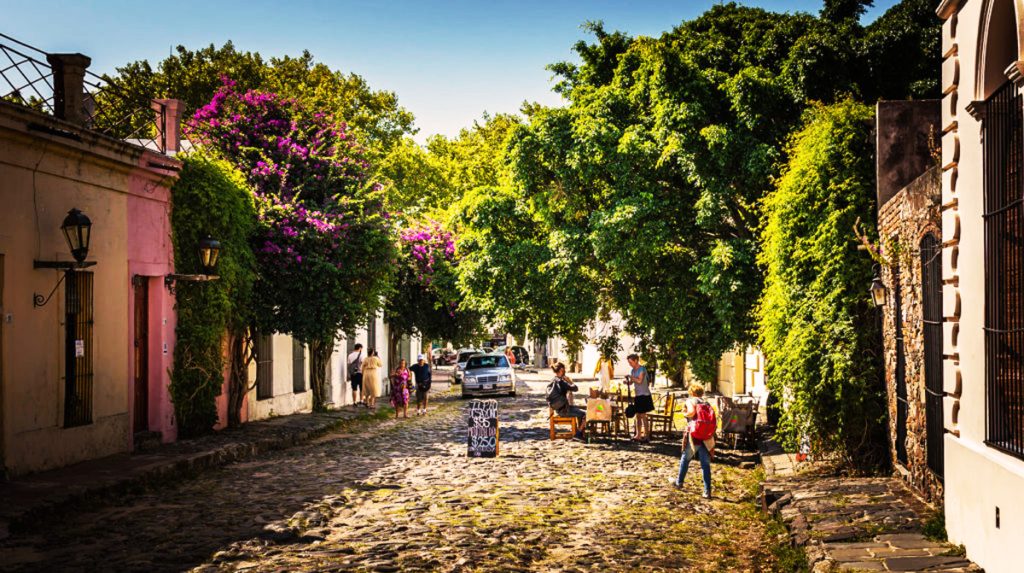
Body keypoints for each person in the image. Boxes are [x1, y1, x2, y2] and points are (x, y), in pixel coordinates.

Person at [672, 383, 715, 498]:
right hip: (706, 437)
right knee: (705, 464)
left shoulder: (690, 401)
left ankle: (679, 482)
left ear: (691, 392)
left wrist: (684, 413)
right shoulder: (706, 403)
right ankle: (707, 491)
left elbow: (691, 412)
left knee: (685, 459)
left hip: (694, 436)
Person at [547, 362, 585, 436]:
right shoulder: (561, 382)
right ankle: (579, 432)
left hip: (558, 410)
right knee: (586, 414)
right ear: (561, 370)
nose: (565, 372)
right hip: (565, 411)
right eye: (564, 370)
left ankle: (579, 431)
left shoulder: (552, 381)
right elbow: (575, 388)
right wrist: (569, 381)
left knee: (578, 411)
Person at [626, 353, 654, 442]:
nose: (630, 364)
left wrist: (631, 378)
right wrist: (628, 382)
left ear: (636, 360)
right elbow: (632, 381)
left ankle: (647, 436)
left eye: (631, 362)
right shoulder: (633, 370)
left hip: (644, 395)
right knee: (638, 416)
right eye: (629, 362)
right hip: (638, 395)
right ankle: (638, 435)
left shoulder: (642, 369)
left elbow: (639, 381)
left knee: (643, 415)